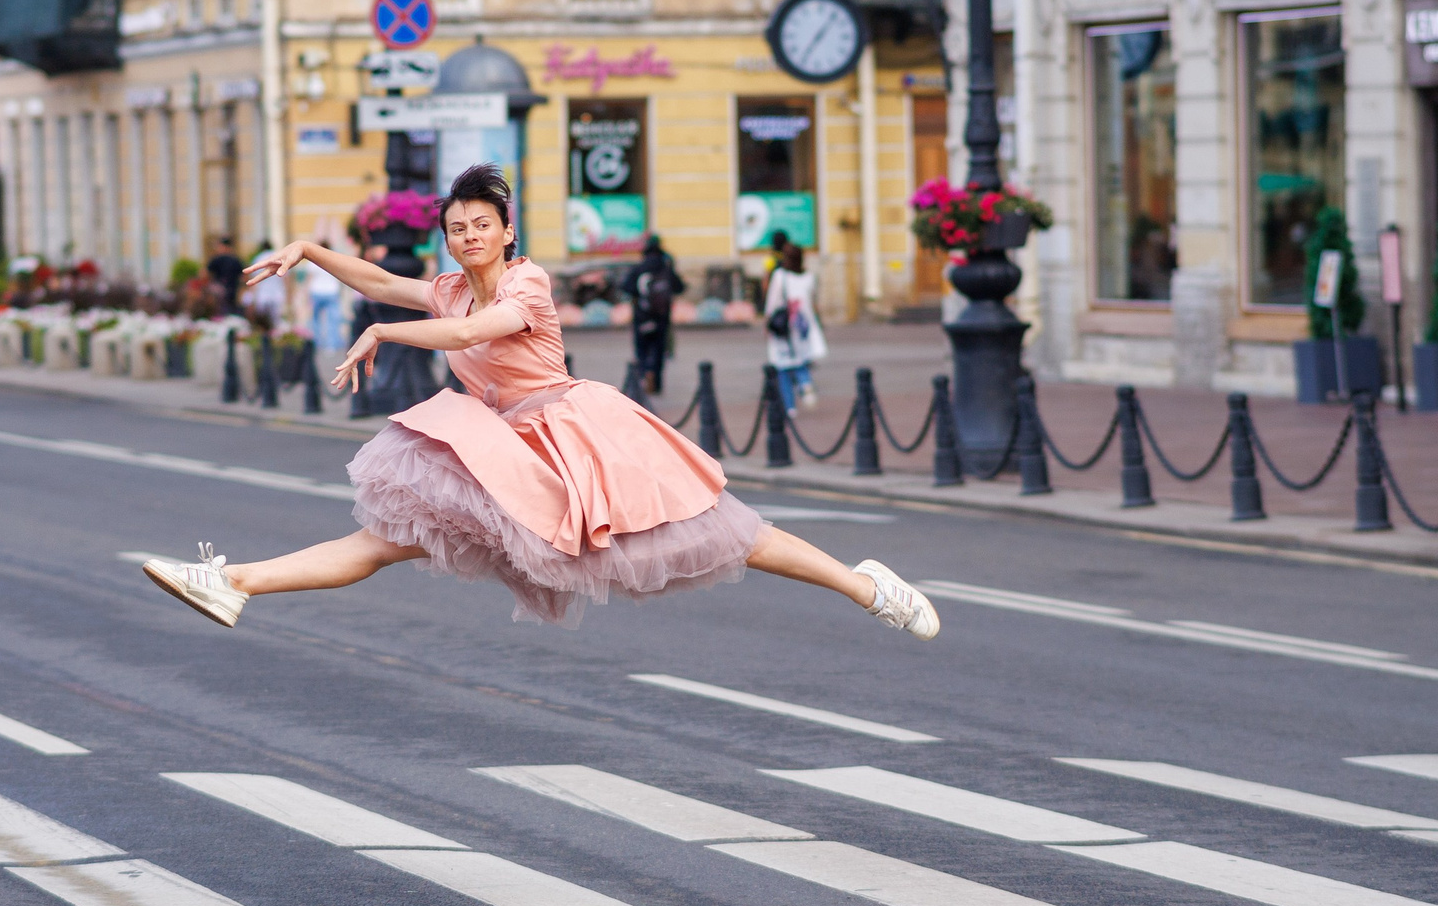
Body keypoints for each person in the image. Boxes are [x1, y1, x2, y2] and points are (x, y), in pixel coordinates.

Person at [137, 163, 937, 640]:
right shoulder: (448, 285)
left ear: (506, 229)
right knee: (384, 540)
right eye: (456, 228)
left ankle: (870, 588)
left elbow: (478, 330)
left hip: (579, 434)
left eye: (481, 226)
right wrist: (306, 251)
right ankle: (233, 582)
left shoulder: (526, 282)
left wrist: (387, 334)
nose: (468, 238)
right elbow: (384, 281)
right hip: (503, 446)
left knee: (733, 537)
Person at [762, 231, 825, 414]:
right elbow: (813, 303)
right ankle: (806, 384)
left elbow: (772, 303)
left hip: (782, 327)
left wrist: (767, 324)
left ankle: (790, 407)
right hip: (802, 326)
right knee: (801, 361)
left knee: (782, 367)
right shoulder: (809, 278)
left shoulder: (780, 275)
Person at [624, 235, 683, 396]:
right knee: (659, 350)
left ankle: (644, 373)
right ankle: (656, 382)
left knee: (642, 349)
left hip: (641, 317)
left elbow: (626, 287)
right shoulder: (665, 267)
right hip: (661, 317)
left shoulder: (638, 268)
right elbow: (680, 287)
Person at [206, 236, 245, 313]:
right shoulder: (236, 260)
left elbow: (206, 274)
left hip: (219, 293)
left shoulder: (217, 259)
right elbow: (243, 277)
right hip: (233, 292)